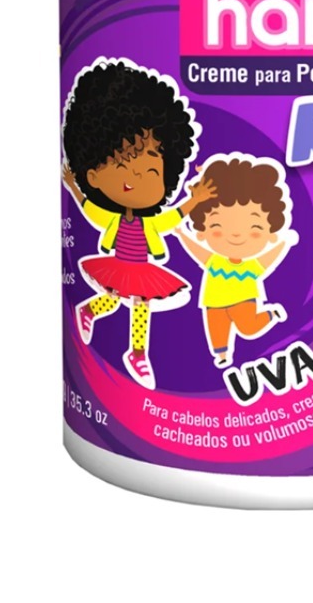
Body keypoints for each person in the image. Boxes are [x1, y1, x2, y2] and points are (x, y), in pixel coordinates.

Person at [62, 59, 216, 389]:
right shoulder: (111, 216)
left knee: (139, 305)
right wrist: (73, 187)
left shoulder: (150, 221)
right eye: (123, 168)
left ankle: (136, 352)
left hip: (142, 270)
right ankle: (91, 314)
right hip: (118, 265)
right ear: (94, 175)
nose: (138, 180)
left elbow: (171, 217)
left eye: (151, 172)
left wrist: (196, 200)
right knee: (116, 299)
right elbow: (89, 208)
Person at [174, 155, 296, 367]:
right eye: (217, 227)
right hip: (214, 302)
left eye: (254, 228)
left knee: (248, 327)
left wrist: (284, 243)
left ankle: (270, 313)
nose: (236, 234)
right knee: (217, 330)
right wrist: (182, 234)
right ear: (202, 231)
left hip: (244, 299)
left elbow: (267, 259)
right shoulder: (214, 260)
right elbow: (197, 251)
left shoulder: (251, 266)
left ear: (270, 233)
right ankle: (221, 355)